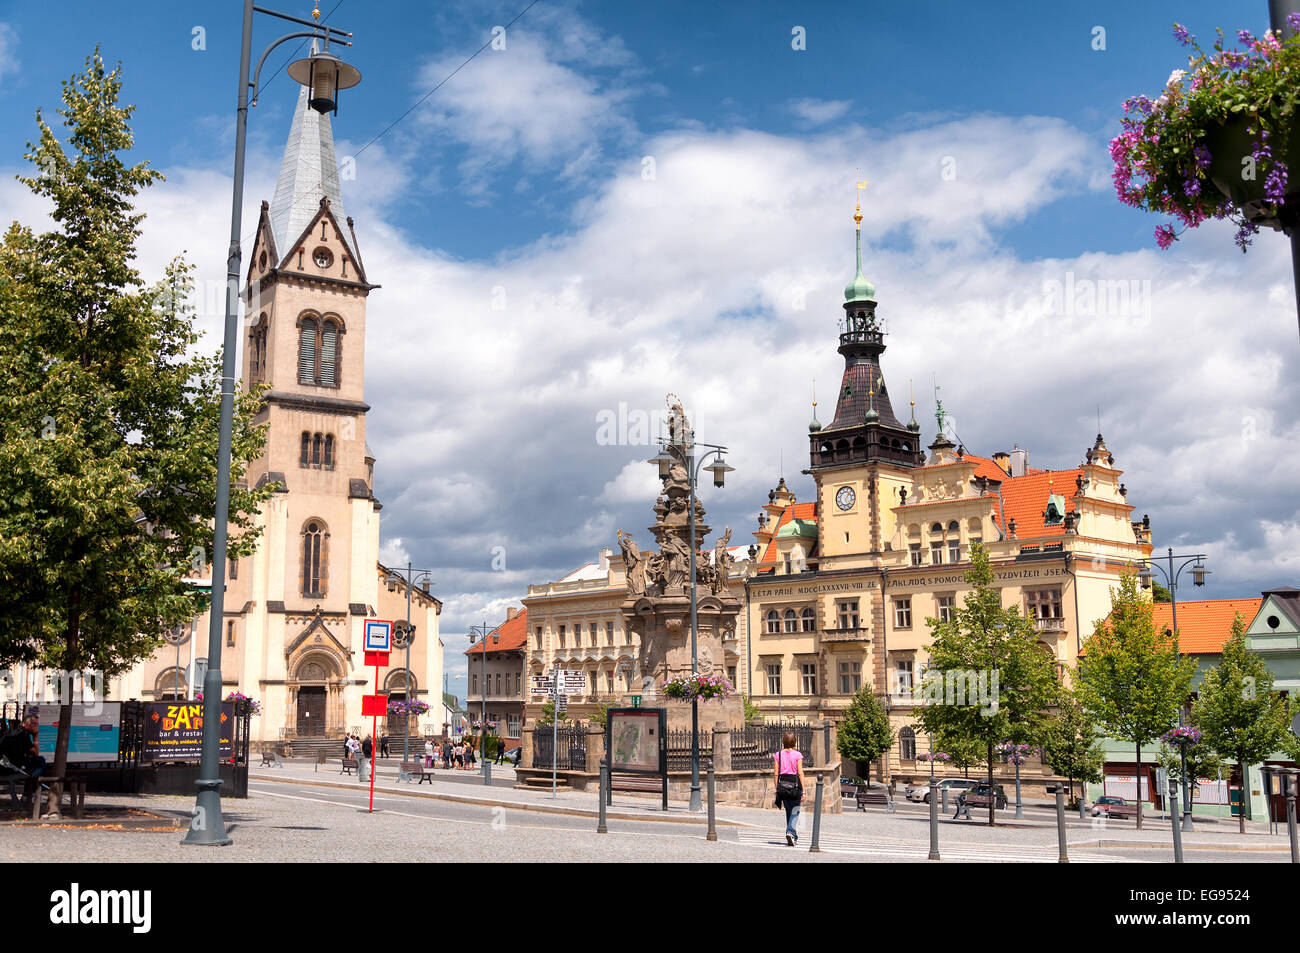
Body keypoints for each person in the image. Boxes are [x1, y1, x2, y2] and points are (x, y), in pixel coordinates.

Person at [772, 731, 806, 846]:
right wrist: (804, 790)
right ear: (794, 741)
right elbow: (800, 773)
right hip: (795, 784)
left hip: (783, 784)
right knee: (795, 811)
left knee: (788, 811)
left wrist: (777, 788)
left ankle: (792, 835)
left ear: (783, 741)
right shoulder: (797, 755)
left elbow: (776, 773)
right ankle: (790, 832)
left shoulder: (778, 755)